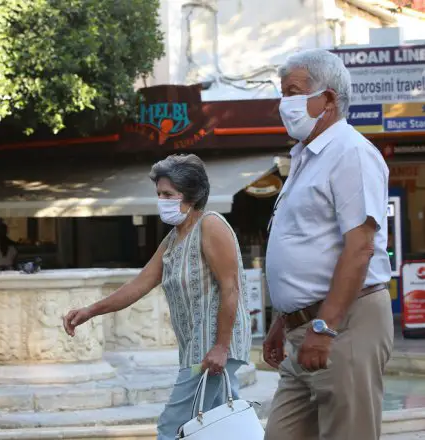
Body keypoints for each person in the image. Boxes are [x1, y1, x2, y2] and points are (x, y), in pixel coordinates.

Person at [62, 154, 251, 439]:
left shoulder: (210, 226)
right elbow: (139, 284)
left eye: (168, 194)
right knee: (221, 426)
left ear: (191, 196)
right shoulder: (174, 238)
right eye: (159, 194)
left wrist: (221, 346)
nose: (161, 200)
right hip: (197, 348)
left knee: (171, 427)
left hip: (211, 348)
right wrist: (90, 311)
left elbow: (231, 287)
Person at [263, 49, 392, 440]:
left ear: (330, 99)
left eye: (294, 92)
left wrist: (324, 325)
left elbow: (359, 248)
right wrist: (283, 319)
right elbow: (307, 243)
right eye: (282, 93)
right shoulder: (306, 157)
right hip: (306, 328)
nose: (284, 104)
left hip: (344, 324)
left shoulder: (350, 153)